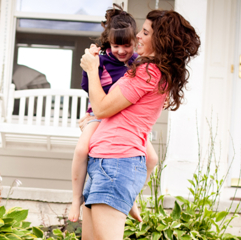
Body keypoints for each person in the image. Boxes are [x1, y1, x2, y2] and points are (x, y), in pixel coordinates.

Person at [77, 9, 201, 240]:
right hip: (105, 161)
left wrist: (92, 70)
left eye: (145, 32)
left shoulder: (148, 72)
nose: (138, 37)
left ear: (161, 38)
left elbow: (103, 107)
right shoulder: (152, 70)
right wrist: (93, 120)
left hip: (115, 163)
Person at [65, 3, 159, 226]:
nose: (122, 51)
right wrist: (92, 65)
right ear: (109, 43)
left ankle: (131, 197)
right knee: (81, 150)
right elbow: (88, 87)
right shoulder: (101, 60)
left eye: (127, 46)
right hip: (99, 115)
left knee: (152, 159)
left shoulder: (138, 62)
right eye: (117, 46)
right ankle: (75, 199)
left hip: (122, 121)